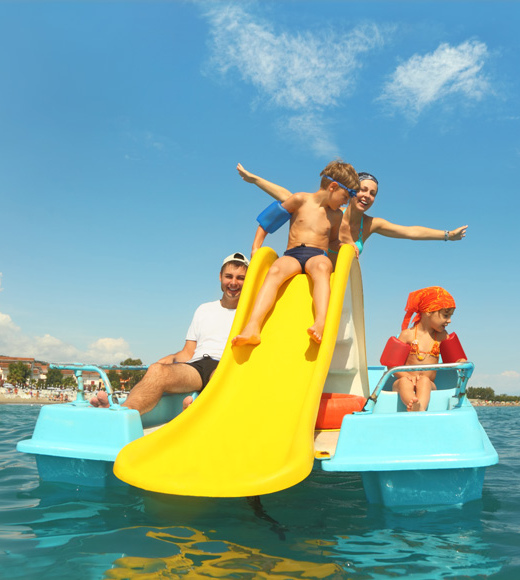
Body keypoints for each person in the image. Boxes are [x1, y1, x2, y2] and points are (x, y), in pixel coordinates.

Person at [90, 252, 249, 413]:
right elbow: (188, 352)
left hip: (225, 365)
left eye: (240, 278)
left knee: (219, 378)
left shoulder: (250, 313)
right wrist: (172, 358)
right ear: (220, 276)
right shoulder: (204, 309)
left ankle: (197, 412)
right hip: (197, 367)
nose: (234, 282)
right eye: (229, 276)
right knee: (156, 370)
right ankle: (122, 413)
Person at [231, 160, 359, 347]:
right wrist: (256, 247)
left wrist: (344, 246)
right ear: (333, 186)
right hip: (293, 254)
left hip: (317, 255)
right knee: (275, 270)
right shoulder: (300, 199)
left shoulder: (336, 215)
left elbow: (332, 241)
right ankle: (253, 326)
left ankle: (321, 322)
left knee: (323, 267)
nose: (345, 202)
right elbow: (268, 221)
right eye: (345, 196)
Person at [236, 163, 468, 261]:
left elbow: (410, 232)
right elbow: (288, 196)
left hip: (341, 290)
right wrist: (254, 179)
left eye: (373, 193)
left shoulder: (370, 225)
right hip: (310, 279)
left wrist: (448, 235)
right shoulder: (331, 211)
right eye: (363, 190)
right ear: (350, 192)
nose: (367, 196)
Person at [391, 286, 465, 412]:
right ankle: (413, 404)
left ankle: (420, 408)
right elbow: (391, 365)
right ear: (428, 312)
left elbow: (457, 360)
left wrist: (462, 362)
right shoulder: (406, 335)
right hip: (404, 381)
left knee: (424, 381)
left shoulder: (442, 336)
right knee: (404, 382)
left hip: (429, 385)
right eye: (446, 315)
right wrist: (406, 376)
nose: (449, 321)